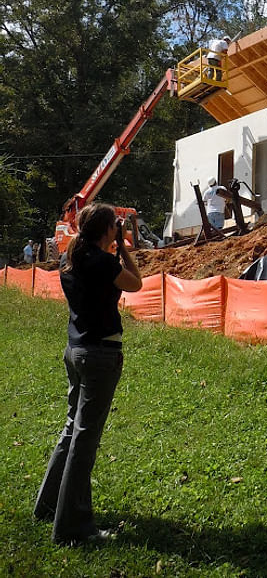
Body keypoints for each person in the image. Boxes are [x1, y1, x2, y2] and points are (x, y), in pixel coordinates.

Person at [34, 202, 142, 545]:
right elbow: (136, 283)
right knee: (85, 440)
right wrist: (123, 249)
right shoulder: (103, 262)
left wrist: (114, 245)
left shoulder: (73, 260)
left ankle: (49, 505)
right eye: (115, 226)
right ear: (108, 230)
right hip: (100, 354)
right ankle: (73, 526)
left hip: (76, 350)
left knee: (72, 431)